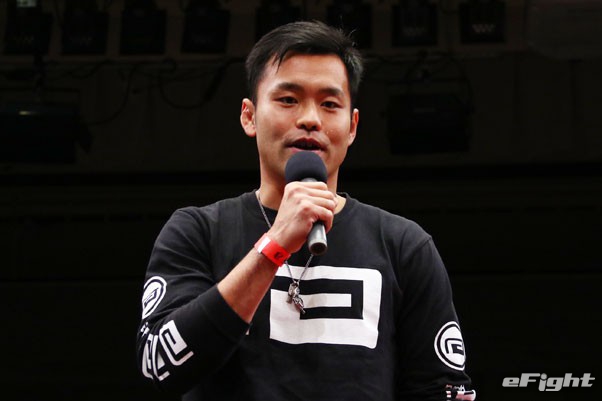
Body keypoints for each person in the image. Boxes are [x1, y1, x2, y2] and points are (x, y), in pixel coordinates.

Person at [136, 20, 476, 401]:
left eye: (330, 104)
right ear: (249, 116)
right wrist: (274, 246)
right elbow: (159, 364)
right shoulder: (198, 232)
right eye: (288, 100)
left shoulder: (403, 245)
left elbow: (443, 389)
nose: (310, 119)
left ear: (352, 126)